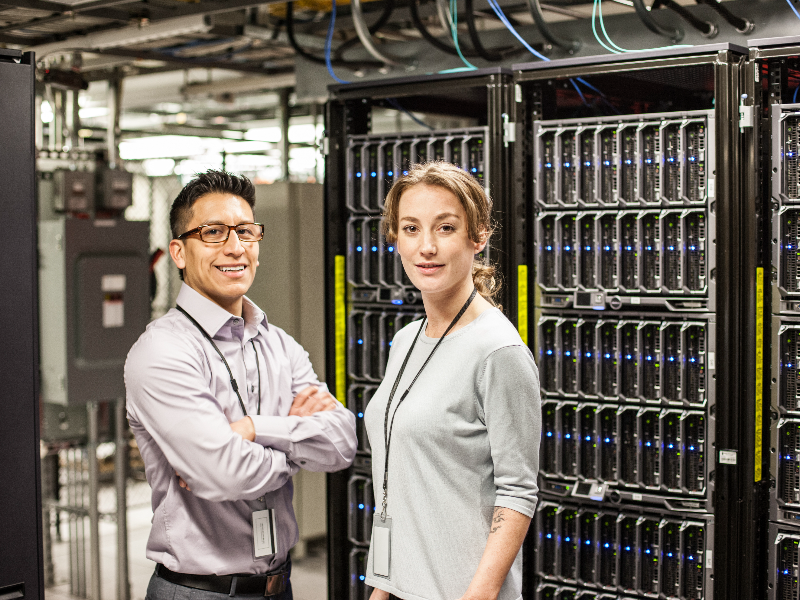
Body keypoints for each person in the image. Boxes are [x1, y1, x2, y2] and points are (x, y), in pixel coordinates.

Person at [125, 170, 357, 600]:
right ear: (178, 251)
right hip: (199, 592)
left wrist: (253, 431)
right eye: (213, 232)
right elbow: (223, 474)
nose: (235, 247)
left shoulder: (278, 344)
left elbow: (343, 442)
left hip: (278, 587)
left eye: (246, 232)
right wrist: (298, 451)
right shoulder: (162, 352)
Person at [363, 162, 541, 600]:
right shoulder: (406, 341)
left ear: (477, 236)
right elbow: (401, 478)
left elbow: (517, 492)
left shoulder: (498, 351)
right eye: (410, 228)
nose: (426, 247)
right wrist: (381, 586)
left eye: (445, 228)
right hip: (400, 587)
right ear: (395, 238)